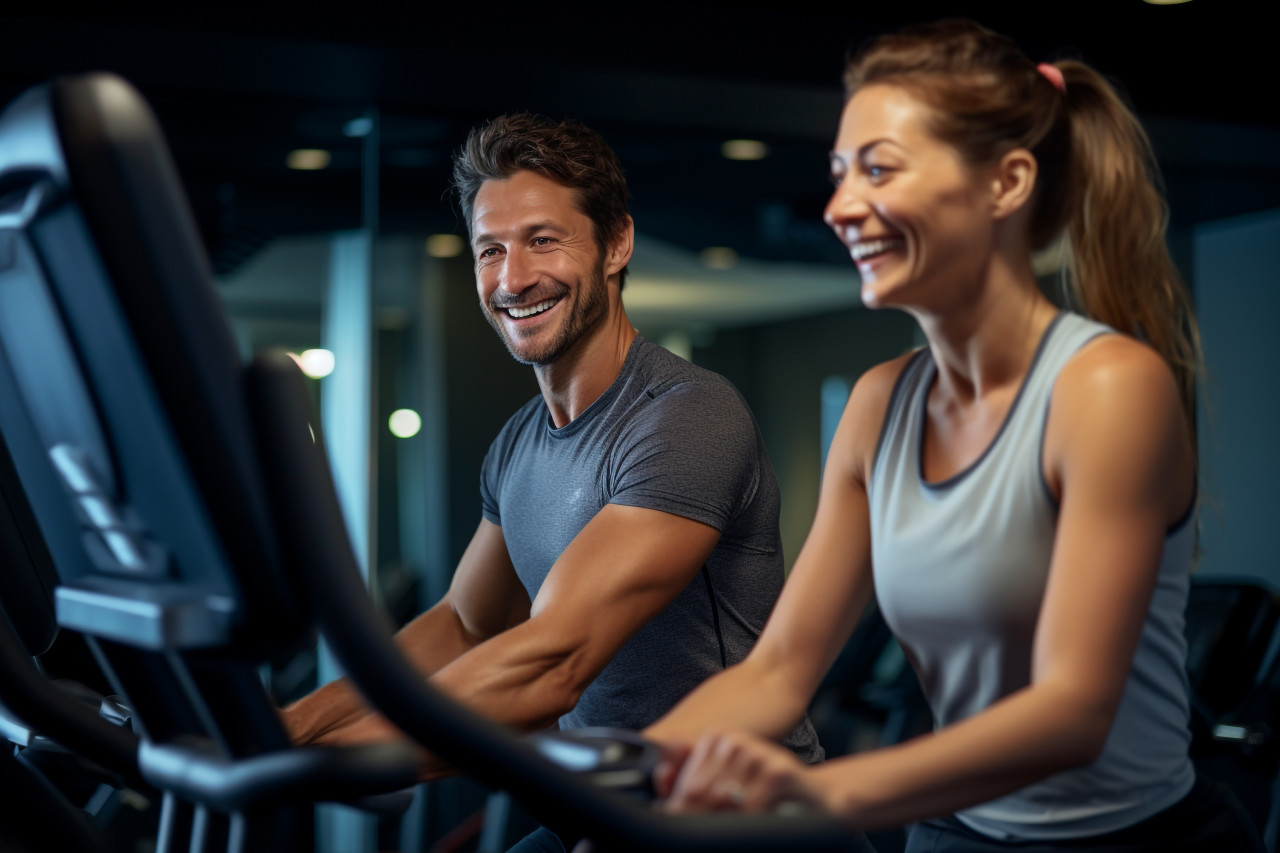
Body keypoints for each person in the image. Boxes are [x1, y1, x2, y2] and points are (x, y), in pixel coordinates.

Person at [644, 19, 1264, 852]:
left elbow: (1072, 710)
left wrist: (820, 793)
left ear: (1006, 182)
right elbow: (780, 667)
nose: (838, 207)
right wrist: (642, 773)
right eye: (837, 175)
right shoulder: (878, 408)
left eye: (878, 169)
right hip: (957, 833)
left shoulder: (1108, 389)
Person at [282, 114, 821, 779]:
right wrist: (288, 726)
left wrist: (335, 754)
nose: (512, 279)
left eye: (542, 240)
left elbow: (555, 655)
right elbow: (464, 624)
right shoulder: (517, 444)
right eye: (491, 250)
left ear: (616, 243)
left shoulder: (687, 415)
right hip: (608, 805)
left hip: (736, 816)